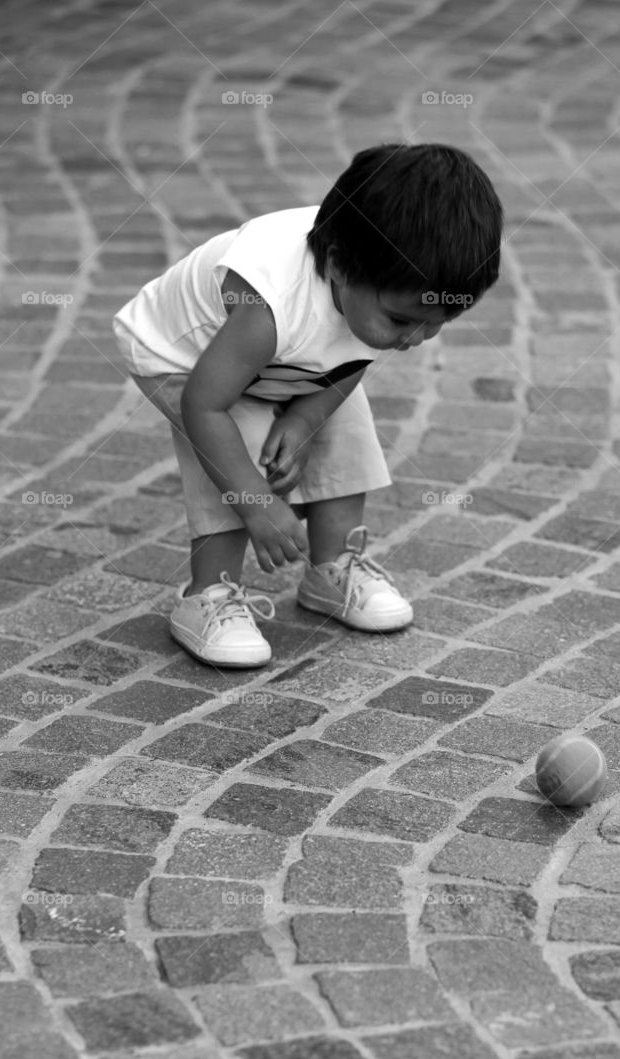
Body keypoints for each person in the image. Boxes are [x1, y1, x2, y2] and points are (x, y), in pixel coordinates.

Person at [112, 142, 503, 667]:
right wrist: (256, 502)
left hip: (284, 361)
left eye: (439, 322)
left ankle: (331, 569)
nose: (417, 338)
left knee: (347, 429)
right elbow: (203, 406)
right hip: (187, 363)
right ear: (339, 266)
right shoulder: (268, 305)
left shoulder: (376, 293)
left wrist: (305, 416)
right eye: (404, 321)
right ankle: (208, 595)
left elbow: (349, 358)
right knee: (236, 449)